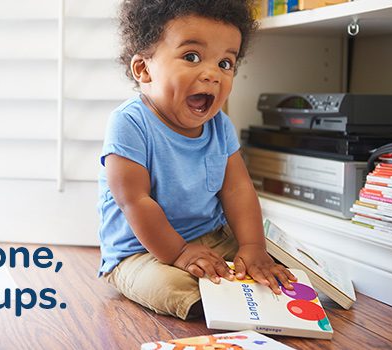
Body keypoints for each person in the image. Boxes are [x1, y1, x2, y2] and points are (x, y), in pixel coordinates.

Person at [97, 0, 296, 320]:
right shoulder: (129, 123)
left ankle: (241, 289)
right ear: (144, 69)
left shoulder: (221, 127)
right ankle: (215, 300)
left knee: (273, 263)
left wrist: (252, 247)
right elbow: (135, 201)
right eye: (192, 57)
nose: (212, 74)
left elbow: (238, 191)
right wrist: (179, 252)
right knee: (170, 286)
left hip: (211, 237)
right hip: (141, 252)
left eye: (226, 63)